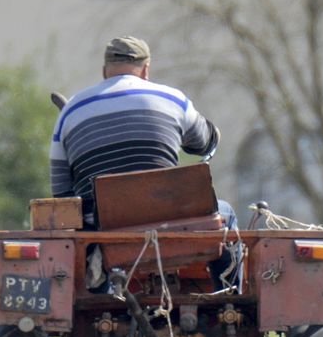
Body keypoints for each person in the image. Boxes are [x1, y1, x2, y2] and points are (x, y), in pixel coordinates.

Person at [50, 36, 230, 228]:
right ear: (146, 70)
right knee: (226, 210)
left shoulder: (71, 111)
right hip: (167, 223)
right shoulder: (173, 100)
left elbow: (61, 192)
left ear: (104, 72)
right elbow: (205, 143)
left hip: (98, 232)